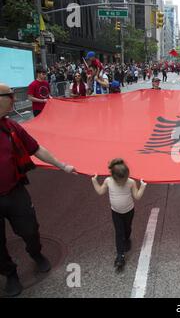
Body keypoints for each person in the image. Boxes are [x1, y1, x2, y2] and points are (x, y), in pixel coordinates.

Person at [0, 83, 76, 297]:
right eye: (10, 96)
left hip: (14, 191)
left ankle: (36, 253)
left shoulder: (12, 127)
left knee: (30, 229)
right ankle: (10, 274)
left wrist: (62, 165)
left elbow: (36, 149)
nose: (14, 100)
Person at [91, 158, 147, 271]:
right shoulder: (108, 181)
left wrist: (143, 186)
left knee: (127, 229)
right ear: (113, 177)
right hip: (116, 212)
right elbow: (100, 191)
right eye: (120, 181)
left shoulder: (130, 182)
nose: (123, 182)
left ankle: (127, 238)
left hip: (129, 211)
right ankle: (120, 256)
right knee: (119, 232)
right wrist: (94, 181)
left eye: (124, 179)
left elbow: (137, 196)